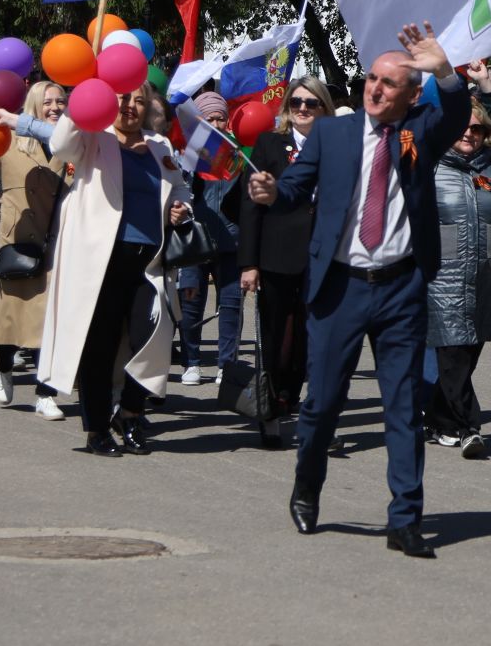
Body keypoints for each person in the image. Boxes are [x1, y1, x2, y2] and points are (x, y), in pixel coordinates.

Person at [246, 24, 468, 559]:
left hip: (400, 288)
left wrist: (442, 69)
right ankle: (307, 485)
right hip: (340, 286)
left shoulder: (419, 130)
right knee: (322, 404)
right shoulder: (333, 134)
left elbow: (458, 116)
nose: (375, 89)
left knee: (402, 407)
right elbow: (297, 188)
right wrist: (273, 191)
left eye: (390, 84)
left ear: (411, 95)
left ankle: (405, 518)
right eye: (372, 78)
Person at [38, 84, 194, 456]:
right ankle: (96, 431)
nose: (132, 107)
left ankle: (129, 412)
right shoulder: (94, 139)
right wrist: (80, 104)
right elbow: (60, 146)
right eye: (125, 99)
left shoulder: (160, 146)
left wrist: (179, 208)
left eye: (140, 101)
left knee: (151, 338)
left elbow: (181, 190)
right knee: (99, 346)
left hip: (149, 261)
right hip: (101, 260)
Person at [425, 100, 491, 457]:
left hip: (488, 277)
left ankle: (437, 416)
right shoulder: (430, 167)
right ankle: (469, 427)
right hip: (443, 279)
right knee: (453, 354)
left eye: (477, 129)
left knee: (468, 355)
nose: (469, 135)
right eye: (462, 128)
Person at [238, 76, 330, 444]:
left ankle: (293, 397)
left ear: (323, 107)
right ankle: (271, 409)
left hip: (322, 256)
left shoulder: (334, 146)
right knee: (276, 335)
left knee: (312, 336)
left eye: (311, 103)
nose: (303, 109)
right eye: (296, 103)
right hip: (275, 255)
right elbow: (250, 206)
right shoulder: (270, 143)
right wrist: (249, 262)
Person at [0, 84, 70, 419]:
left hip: (59, 243)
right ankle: (2, 363)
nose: (55, 107)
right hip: (17, 241)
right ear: (33, 105)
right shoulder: (10, 141)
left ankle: (46, 393)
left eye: (61, 101)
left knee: (51, 324)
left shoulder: (73, 143)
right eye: (47, 102)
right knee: (10, 321)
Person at [175, 91, 245, 386]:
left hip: (231, 242)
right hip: (195, 241)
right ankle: (191, 362)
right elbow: (178, 190)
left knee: (231, 305)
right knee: (190, 301)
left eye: (221, 118)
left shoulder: (240, 156)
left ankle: (226, 364)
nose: (216, 123)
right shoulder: (188, 156)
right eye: (210, 118)